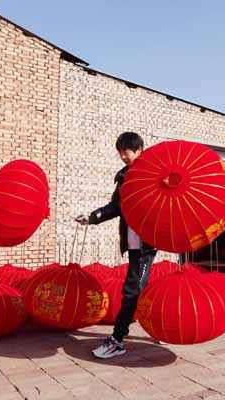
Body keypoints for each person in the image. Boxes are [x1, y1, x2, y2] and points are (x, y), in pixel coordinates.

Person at [75, 131, 157, 358]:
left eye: (126, 152)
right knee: (139, 288)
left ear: (139, 150)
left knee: (132, 290)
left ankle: (117, 339)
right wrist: (93, 217)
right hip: (132, 243)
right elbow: (115, 207)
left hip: (145, 246)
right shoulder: (124, 177)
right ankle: (158, 323)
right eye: (120, 153)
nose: (122, 157)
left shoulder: (154, 175)